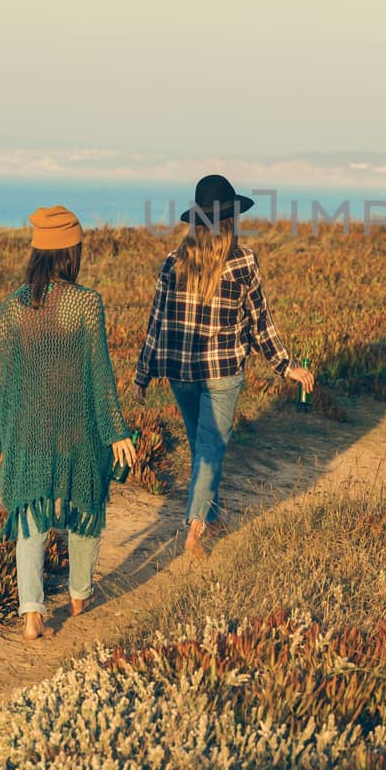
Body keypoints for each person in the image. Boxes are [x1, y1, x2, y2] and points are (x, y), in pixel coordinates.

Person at [132, 175, 314, 557]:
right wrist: (287, 366)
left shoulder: (172, 263)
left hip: (180, 372)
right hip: (223, 372)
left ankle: (209, 518)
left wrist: (143, 376)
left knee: (204, 447)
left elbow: (156, 324)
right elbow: (260, 321)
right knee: (209, 449)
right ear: (231, 221)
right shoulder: (244, 261)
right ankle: (195, 530)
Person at [0, 205, 137, 640]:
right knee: (85, 506)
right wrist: (116, 432)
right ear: (71, 253)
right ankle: (78, 595)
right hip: (79, 428)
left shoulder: (11, 308)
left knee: (32, 515)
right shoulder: (86, 303)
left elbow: (2, 384)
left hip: (28, 429)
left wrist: (6, 439)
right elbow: (99, 374)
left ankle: (32, 614)